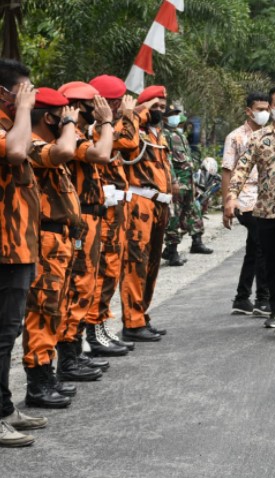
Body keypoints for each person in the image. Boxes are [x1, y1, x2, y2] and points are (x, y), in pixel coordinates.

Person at [24, 87, 98, 408]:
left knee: (54, 308)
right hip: (46, 239)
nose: (68, 121)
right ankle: (37, 383)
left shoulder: (52, 141)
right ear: (48, 117)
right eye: (62, 116)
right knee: (42, 309)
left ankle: (48, 373)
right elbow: (65, 153)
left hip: (63, 238)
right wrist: (70, 124)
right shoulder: (32, 143)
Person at [56, 81, 124, 367]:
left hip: (93, 216)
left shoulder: (78, 133)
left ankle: (76, 351)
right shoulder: (67, 135)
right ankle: (69, 358)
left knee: (86, 285)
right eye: (92, 106)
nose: (99, 110)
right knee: (77, 286)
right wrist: (107, 122)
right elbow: (102, 154)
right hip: (80, 218)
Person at [226, 85, 275, 335]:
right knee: (270, 263)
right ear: (270, 107)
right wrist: (231, 196)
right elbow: (241, 168)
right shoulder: (258, 138)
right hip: (265, 212)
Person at [0, 60, 47, 448]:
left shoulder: (12, 121)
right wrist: (25, 110)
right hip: (3, 249)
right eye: (24, 90)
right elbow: (16, 152)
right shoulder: (7, 124)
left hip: (17, 247)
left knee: (8, 333)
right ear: (5, 92)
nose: (30, 97)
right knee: (0, 336)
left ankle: (3, 408)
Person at [85, 74, 137, 353]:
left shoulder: (106, 128)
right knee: (101, 274)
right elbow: (129, 141)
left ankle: (102, 326)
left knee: (111, 273)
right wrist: (128, 117)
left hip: (113, 213)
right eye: (116, 102)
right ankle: (94, 334)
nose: (119, 107)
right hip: (100, 216)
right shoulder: (97, 130)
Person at [119, 85, 173, 342]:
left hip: (159, 204)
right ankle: (131, 322)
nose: (159, 111)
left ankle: (141, 314)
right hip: (139, 203)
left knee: (151, 264)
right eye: (155, 106)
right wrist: (138, 112)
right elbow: (124, 141)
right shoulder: (132, 129)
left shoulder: (157, 133)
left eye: (162, 106)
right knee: (135, 262)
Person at [221, 92, 270, 316]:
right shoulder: (236, 137)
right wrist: (227, 203)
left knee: (254, 247)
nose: (265, 113)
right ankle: (263, 299)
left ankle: (242, 298)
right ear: (249, 111)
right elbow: (227, 172)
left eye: (266, 108)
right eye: (260, 109)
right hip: (244, 196)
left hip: (265, 197)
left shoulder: (270, 134)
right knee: (261, 244)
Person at [162, 104, 212, 267]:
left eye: (176, 114)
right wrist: (173, 181)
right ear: (164, 118)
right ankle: (172, 250)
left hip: (188, 182)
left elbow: (187, 159)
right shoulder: (164, 135)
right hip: (177, 184)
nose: (175, 117)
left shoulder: (179, 135)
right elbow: (167, 161)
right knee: (174, 217)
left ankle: (196, 242)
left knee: (192, 211)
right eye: (171, 114)